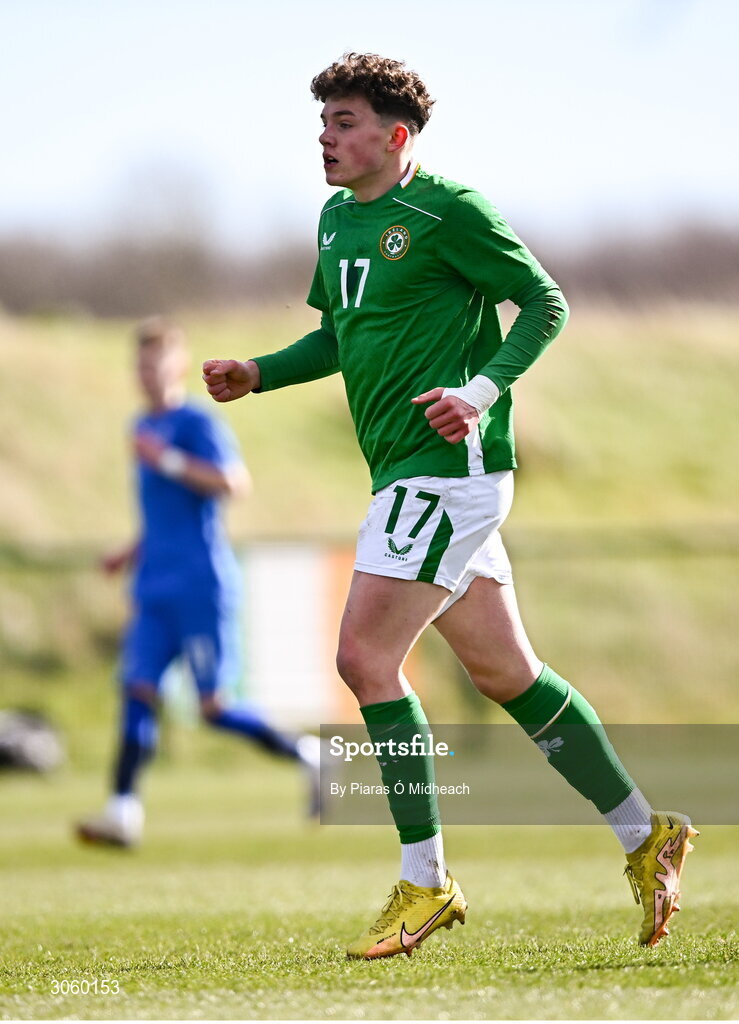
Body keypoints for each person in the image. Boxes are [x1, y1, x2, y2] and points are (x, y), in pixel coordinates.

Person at [202, 53, 698, 957]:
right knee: (507, 674)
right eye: (322, 122)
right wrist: (259, 373)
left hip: (446, 468)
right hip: (402, 470)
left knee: (362, 657)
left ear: (395, 135)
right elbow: (341, 334)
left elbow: (543, 304)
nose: (325, 137)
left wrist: (478, 388)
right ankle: (645, 832)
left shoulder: (451, 211)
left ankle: (424, 881)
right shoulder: (335, 221)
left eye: (344, 122)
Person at [77, 317, 321, 848]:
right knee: (137, 689)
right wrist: (130, 550)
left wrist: (165, 460)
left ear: (178, 366)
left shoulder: (194, 423)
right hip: (153, 585)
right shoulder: (140, 426)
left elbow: (233, 483)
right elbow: (161, 513)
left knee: (213, 708)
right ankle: (123, 813)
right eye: (139, 364)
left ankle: (310, 757)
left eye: (155, 363)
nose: (145, 374)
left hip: (200, 584)